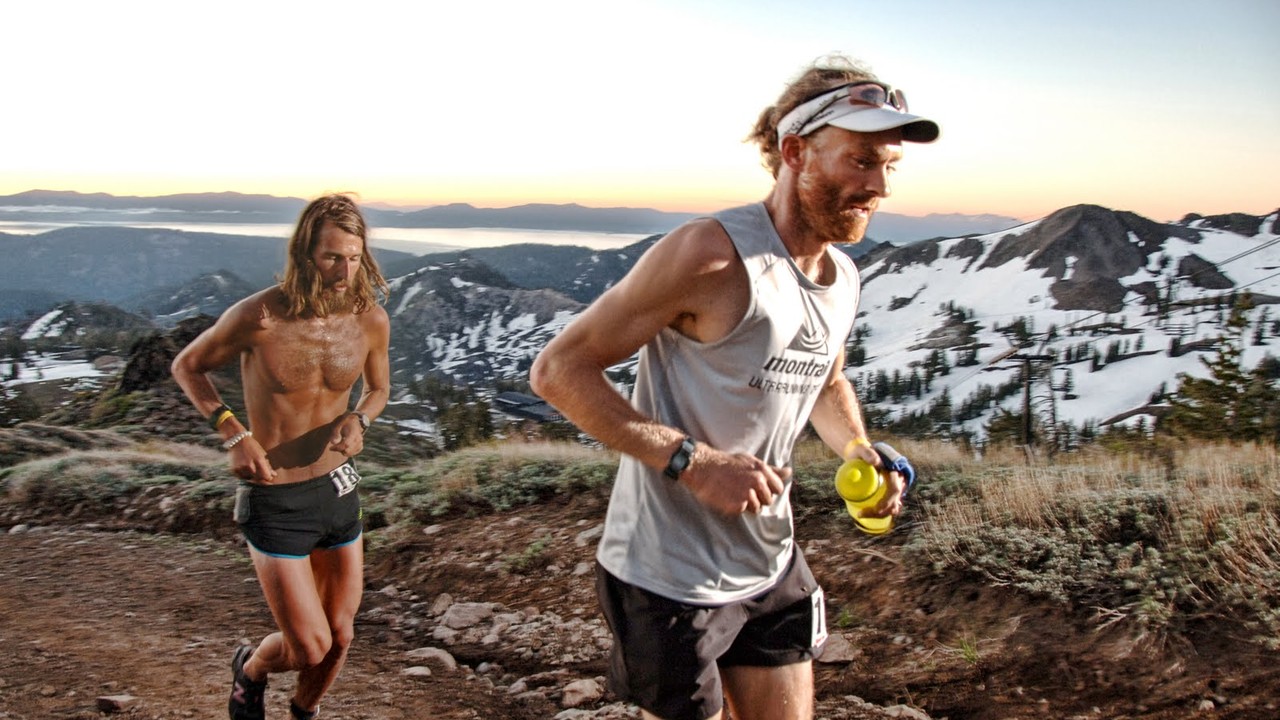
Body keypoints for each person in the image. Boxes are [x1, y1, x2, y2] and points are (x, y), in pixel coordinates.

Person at [529, 55, 938, 720]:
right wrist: (694, 463)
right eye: (861, 161)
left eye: (890, 166)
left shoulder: (842, 276)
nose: (880, 186)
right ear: (796, 152)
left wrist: (860, 450)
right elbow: (558, 371)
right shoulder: (711, 254)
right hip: (666, 576)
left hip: (771, 558)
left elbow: (826, 380)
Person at [171, 193, 391, 720]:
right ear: (304, 253)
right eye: (332, 257)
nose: (345, 271)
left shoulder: (369, 319)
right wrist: (233, 433)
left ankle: (301, 713)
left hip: (338, 488)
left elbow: (379, 389)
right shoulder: (259, 316)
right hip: (277, 497)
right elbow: (187, 366)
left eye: (354, 257)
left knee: (339, 636)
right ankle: (251, 668)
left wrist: (359, 420)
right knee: (309, 647)